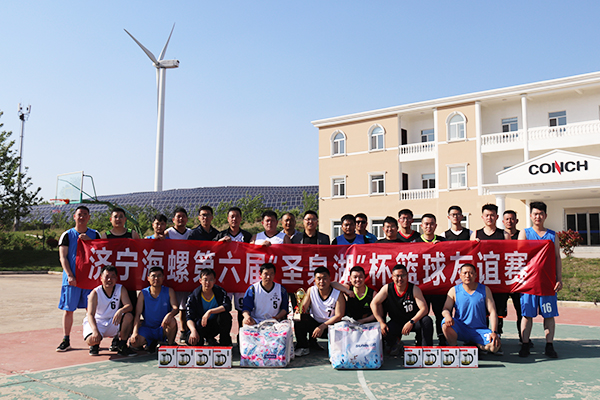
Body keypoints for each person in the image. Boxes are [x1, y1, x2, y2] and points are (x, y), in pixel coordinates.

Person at [517, 201, 562, 359]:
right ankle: (525, 344)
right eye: (535, 214)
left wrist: (559, 278)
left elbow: (557, 258)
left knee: (549, 315)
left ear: (545, 216)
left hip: (548, 283)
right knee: (527, 315)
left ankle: (549, 345)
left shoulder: (552, 235)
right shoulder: (524, 233)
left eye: (541, 214)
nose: (538, 217)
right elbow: (519, 256)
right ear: (531, 216)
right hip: (529, 283)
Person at [56, 205, 100, 352]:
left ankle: (94, 341)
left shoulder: (95, 234)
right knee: (68, 310)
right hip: (72, 280)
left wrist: (90, 241)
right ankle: (66, 339)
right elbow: (63, 257)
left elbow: (101, 253)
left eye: (85, 214)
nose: (82, 217)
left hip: (90, 279)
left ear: (89, 217)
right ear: (74, 217)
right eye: (79, 214)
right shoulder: (67, 235)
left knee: (91, 311)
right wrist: (69, 275)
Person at [470, 203, 510, 350]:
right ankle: (480, 340)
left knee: (498, 313)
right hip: (481, 280)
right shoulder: (475, 234)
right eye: (487, 215)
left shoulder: (504, 235)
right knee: (481, 312)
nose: (489, 218)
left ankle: (496, 340)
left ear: (497, 217)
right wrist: (474, 245)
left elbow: (511, 256)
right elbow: (469, 256)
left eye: (492, 215)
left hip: (498, 280)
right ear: (482, 217)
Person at [101, 207, 140, 352]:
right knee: (113, 311)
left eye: (121, 216)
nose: (118, 219)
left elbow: (143, 251)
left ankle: (124, 340)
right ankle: (114, 339)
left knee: (130, 311)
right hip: (112, 282)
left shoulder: (132, 234)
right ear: (111, 219)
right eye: (115, 217)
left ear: (125, 219)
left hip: (129, 280)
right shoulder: (105, 236)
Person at [371, 264, 434, 355]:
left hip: (413, 322)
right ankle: (396, 342)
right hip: (397, 322)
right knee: (383, 330)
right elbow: (374, 303)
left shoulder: (414, 289)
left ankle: (426, 349)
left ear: (407, 276)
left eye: (403, 276)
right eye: (397, 276)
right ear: (392, 277)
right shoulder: (387, 288)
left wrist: (411, 322)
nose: (400, 279)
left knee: (427, 321)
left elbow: (424, 309)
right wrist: (381, 322)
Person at [441, 263, 501, 354]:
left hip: (480, 330)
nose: (467, 276)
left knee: (494, 347)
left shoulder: (485, 290)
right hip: (462, 328)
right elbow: (446, 308)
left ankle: (478, 345)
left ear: (476, 275)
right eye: (465, 273)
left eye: (471, 273)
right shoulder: (454, 290)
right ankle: (454, 347)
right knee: (445, 323)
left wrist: (494, 331)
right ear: (460, 275)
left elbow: (492, 311)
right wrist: (447, 315)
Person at [214, 207, 252, 334]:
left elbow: (254, 251)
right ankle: (225, 337)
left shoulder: (247, 236)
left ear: (240, 218)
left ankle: (243, 337)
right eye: (232, 216)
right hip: (225, 279)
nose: (234, 219)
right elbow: (210, 250)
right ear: (228, 219)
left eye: (237, 216)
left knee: (243, 310)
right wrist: (220, 243)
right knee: (224, 309)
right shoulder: (220, 235)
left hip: (241, 279)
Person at [83, 265, 136, 357]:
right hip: (98, 322)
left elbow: (129, 306)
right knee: (92, 340)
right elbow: (90, 314)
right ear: (101, 278)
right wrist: (95, 331)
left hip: (113, 321)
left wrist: (121, 310)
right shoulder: (95, 293)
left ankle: (122, 345)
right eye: (107, 276)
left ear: (116, 278)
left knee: (129, 316)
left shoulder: (120, 289)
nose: (109, 279)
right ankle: (95, 345)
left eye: (113, 276)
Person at [294, 266, 346, 356]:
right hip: (315, 325)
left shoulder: (338, 294)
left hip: (331, 326)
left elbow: (339, 315)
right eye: (319, 279)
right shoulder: (311, 290)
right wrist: (299, 310)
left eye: (324, 278)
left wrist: (323, 326)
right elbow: (304, 308)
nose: (321, 281)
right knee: (299, 319)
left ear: (330, 279)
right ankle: (303, 346)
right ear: (314, 280)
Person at [414, 213, 446, 345]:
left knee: (441, 313)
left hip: (439, 285)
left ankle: (443, 338)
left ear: (436, 225)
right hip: (422, 287)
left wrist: (443, 247)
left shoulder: (443, 241)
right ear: (421, 226)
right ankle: (421, 339)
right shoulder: (415, 243)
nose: (429, 226)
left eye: (432, 224)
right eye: (426, 224)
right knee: (423, 314)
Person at [130, 266, 178, 352]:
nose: (156, 278)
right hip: (148, 327)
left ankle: (169, 344)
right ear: (148, 278)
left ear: (163, 278)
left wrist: (169, 315)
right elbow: (137, 314)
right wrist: (134, 332)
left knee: (172, 321)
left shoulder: (169, 291)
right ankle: (151, 342)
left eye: (159, 276)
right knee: (134, 343)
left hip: (162, 327)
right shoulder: (143, 293)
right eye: (153, 276)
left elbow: (175, 308)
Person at [184, 268, 233, 346]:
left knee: (225, 316)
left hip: (215, 325)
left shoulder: (220, 292)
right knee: (193, 341)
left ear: (214, 281)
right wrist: (193, 331)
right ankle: (207, 339)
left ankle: (224, 342)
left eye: (211, 280)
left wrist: (210, 311)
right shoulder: (193, 296)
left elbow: (227, 306)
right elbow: (189, 317)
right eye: (205, 280)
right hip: (200, 325)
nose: (208, 283)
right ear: (200, 281)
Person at [165, 207, 192, 342]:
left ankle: (183, 331)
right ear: (173, 219)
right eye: (178, 217)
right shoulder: (168, 232)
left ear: (187, 219)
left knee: (184, 306)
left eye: (183, 216)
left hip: (186, 273)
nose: (181, 219)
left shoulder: (191, 233)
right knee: (169, 305)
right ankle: (166, 333)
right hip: (171, 273)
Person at [503, 210, 523, 343]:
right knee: (499, 311)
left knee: (521, 311)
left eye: (512, 219)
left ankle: (523, 337)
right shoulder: (499, 236)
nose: (509, 221)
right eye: (507, 219)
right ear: (503, 221)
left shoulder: (522, 236)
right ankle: (497, 337)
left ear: (516, 221)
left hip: (518, 279)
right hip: (502, 280)